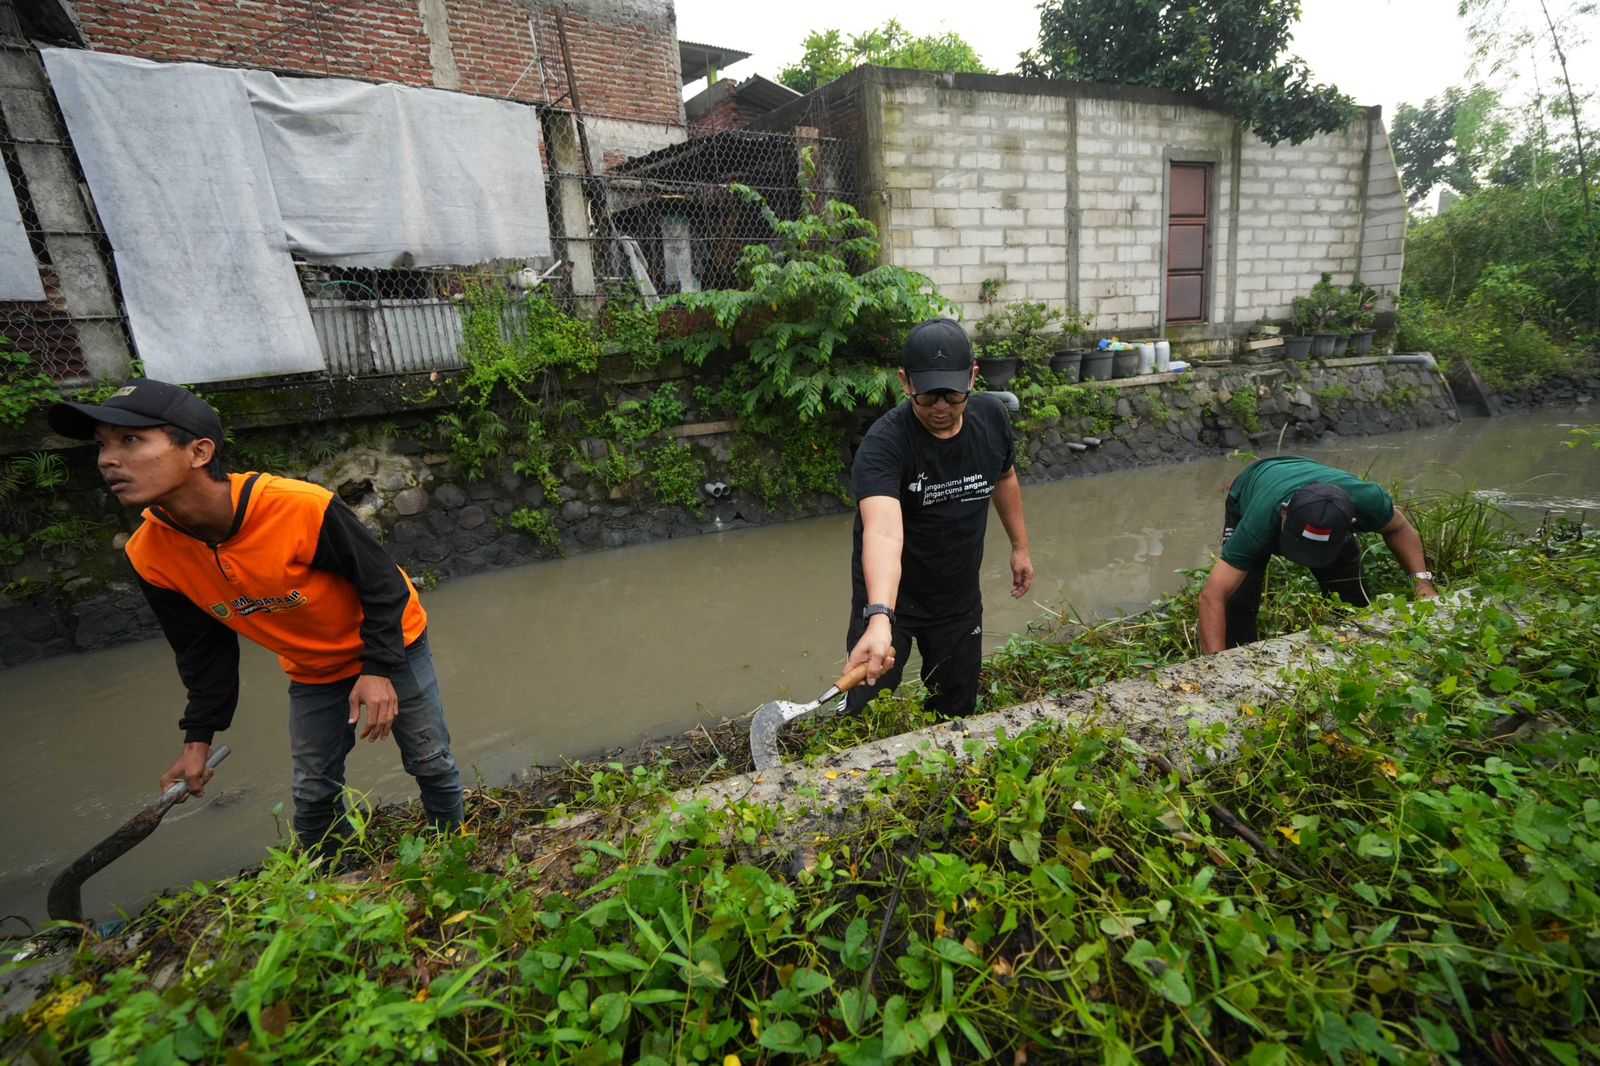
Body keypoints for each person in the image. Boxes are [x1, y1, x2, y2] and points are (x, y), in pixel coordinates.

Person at [48, 380, 464, 852]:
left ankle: (451, 851)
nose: (107, 459)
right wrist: (197, 742)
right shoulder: (150, 554)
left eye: (131, 440)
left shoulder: (298, 508)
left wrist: (377, 669)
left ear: (200, 451)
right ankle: (335, 875)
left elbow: (383, 585)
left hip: (394, 644)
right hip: (314, 671)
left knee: (430, 760)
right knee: (312, 792)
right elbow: (203, 651)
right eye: (102, 445)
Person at [843, 318, 1034, 716]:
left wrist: (1020, 547)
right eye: (928, 396)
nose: (942, 407)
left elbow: (1005, 476)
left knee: (955, 707)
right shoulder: (885, 444)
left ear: (973, 377)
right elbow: (883, 532)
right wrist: (879, 616)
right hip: (891, 598)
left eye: (952, 394)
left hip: (957, 597)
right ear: (905, 382)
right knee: (867, 709)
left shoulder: (992, 419)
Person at [1196, 455, 1439, 653]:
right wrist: (1214, 665)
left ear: (1352, 521)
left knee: (1349, 596)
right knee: (1239, 600)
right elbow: (1212, 595)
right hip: (1254, 485)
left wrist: (1423, 584)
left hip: (1323, 508)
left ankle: (1352, 647)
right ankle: (1241, 655)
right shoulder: (1258, 521)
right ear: (1283, 515)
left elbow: (1400, 528)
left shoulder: (1367, 499)